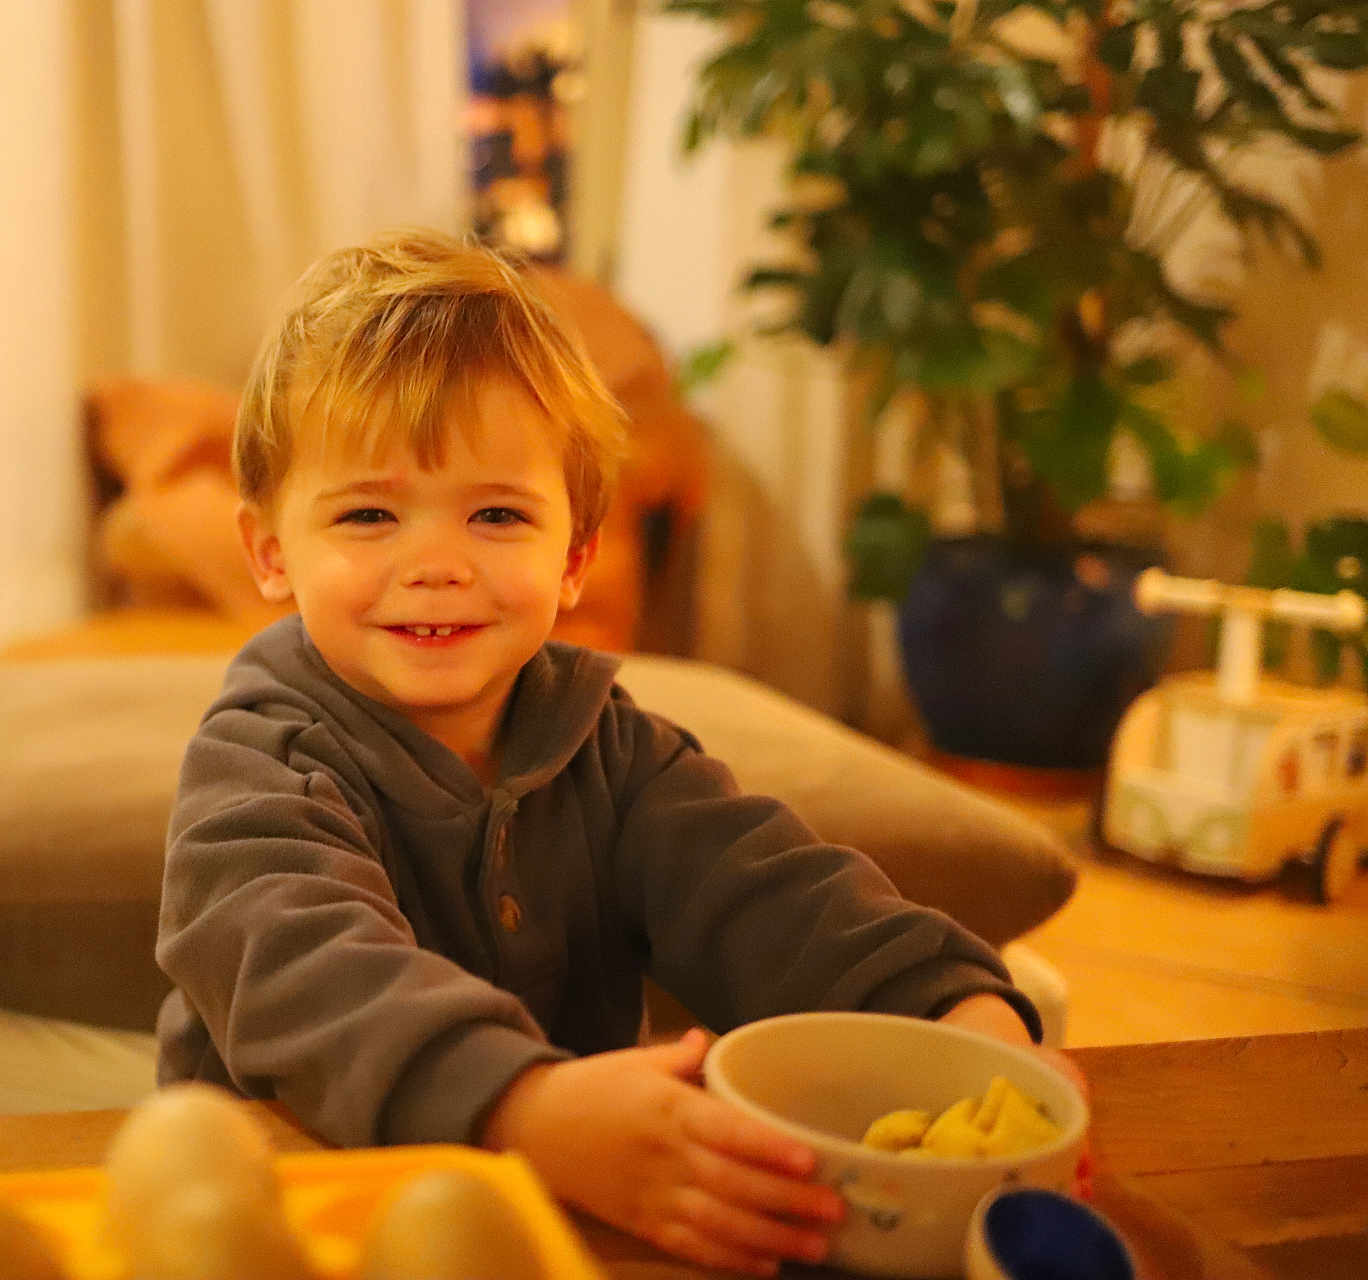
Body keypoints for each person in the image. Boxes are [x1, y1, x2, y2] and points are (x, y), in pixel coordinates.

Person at [154, 228, 1050, 1275]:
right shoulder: (255, 762)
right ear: (269, 550)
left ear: (575, 554)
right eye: (369, 514)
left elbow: (775, 895)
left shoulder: (614, 746)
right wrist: (521, 1101)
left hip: (552, 1213)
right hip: (291, 1224)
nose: (436, 562)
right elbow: (305, 971)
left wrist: (953, 1008)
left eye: (496, 513)